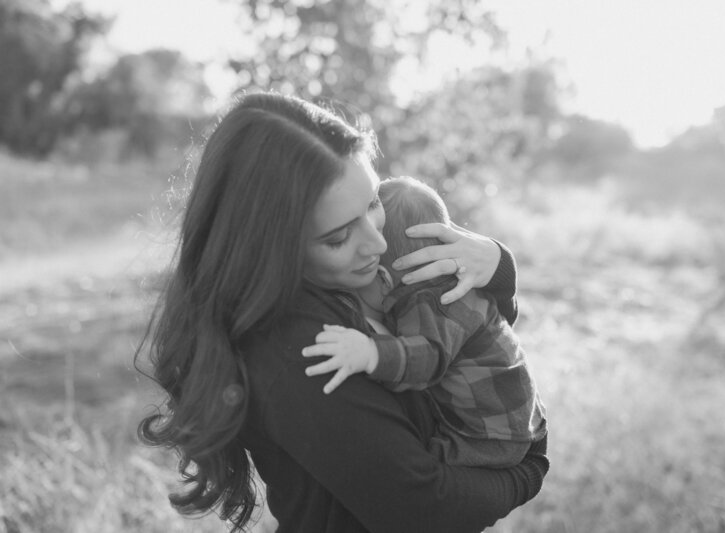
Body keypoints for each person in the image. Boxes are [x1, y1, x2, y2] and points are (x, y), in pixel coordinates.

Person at [136, 92, 549, 533]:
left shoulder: (361, 275)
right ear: (271, 247)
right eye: (337, 238)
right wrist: (527, 468)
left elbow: (474, 338)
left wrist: (498, 268)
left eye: (373, 204)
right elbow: (423, 510)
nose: (378, 242)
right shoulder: (300, 347)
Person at [302, 176, 547, 468]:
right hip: (520, 418)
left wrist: (371, 352)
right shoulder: (460, 279)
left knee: (422, 465)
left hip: (491, 436)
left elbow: (426, 358)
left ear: (383, 279)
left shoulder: (430, 303)